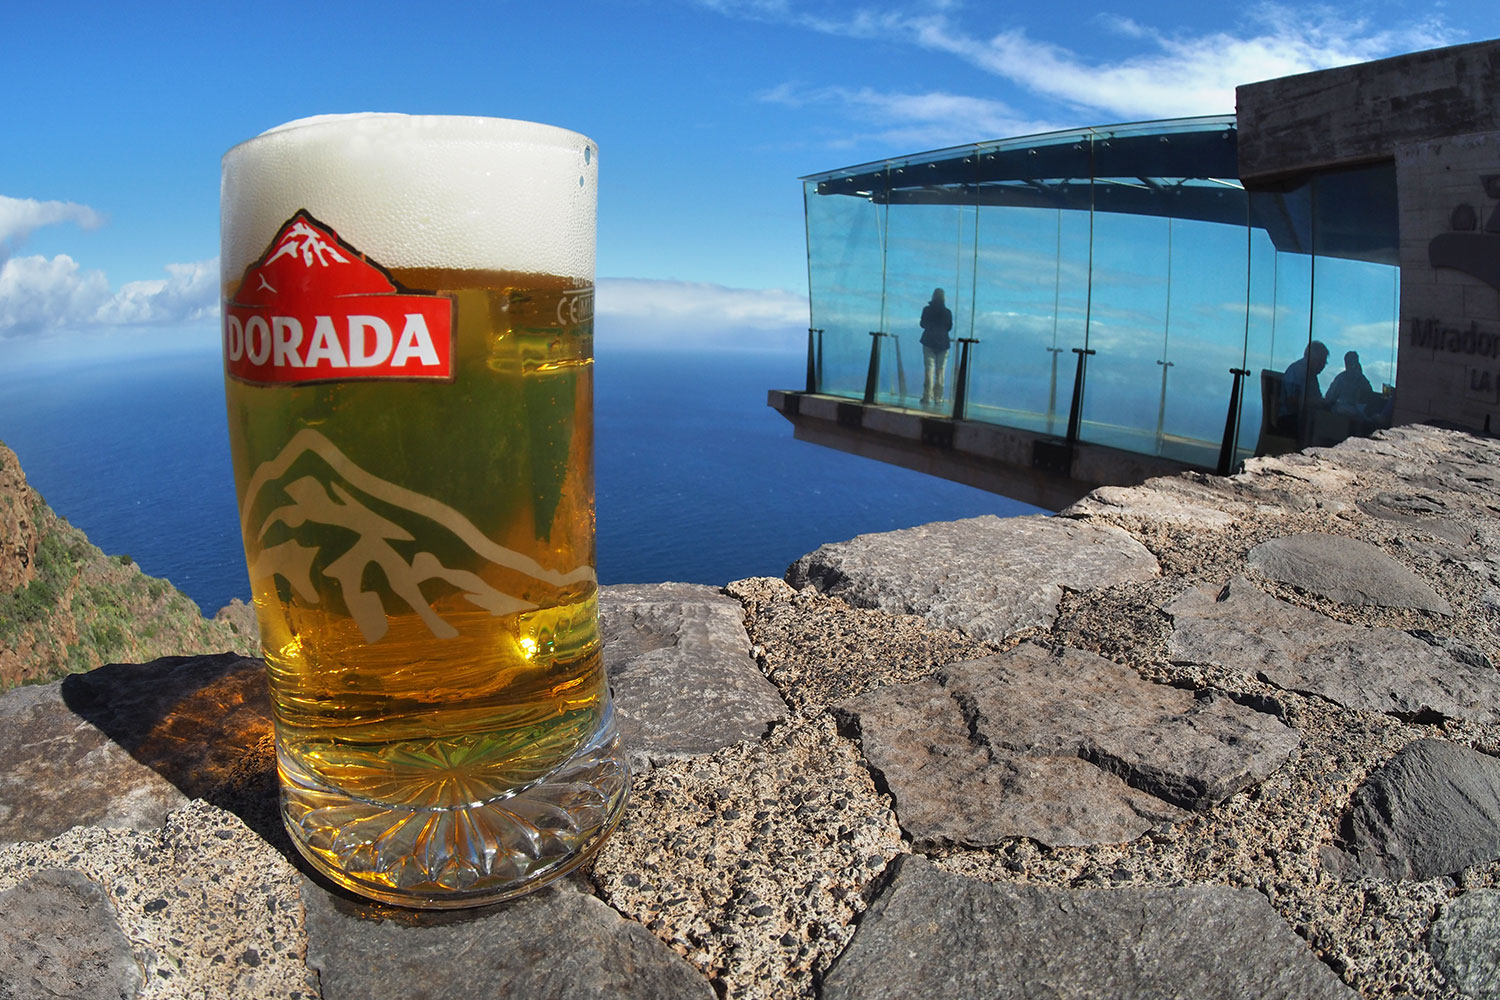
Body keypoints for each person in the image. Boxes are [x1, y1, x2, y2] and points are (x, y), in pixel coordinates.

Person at [1278, 340, 1329, 437]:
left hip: (1303, 419)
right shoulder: (1297, 371)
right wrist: (1314, 402)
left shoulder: (1312, 375)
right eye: (1322, 361)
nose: (1323, 366)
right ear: (1312, 358)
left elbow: (1317, 398)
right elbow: (1291, 401)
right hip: (1290, 420)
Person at [919, 288, 953, 407]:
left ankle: (927, 396)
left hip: (929, 341)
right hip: (943, 343)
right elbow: (949, 327)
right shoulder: (947, 312)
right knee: (940, 371)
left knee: (929, 370)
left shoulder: (927, 310)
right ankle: (938, 398)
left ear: (933, 296)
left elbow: (922, 324)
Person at [1325, 350, 1377, 416]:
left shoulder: (1363, 380)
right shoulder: (1341, 378)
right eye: (1349, 362)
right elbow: (1330, 397)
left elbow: (1370, 397)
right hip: (1341, 414)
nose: (1352, 365)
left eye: (1353, 361)